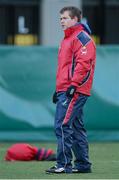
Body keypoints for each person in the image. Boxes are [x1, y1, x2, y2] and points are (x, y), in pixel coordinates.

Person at [46, 6, 96, 174]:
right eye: (60, 18)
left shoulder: (82, 38)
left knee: (62, 125)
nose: (61, 21)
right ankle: (83, 165)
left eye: (65, 18)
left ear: (75, 20)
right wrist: (58, 89)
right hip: (66, 89)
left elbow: (84, 65)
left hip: (74, 90)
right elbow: (65, 68)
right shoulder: (66, 39)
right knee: (75, 127)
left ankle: (64, 164)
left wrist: (73, 86)